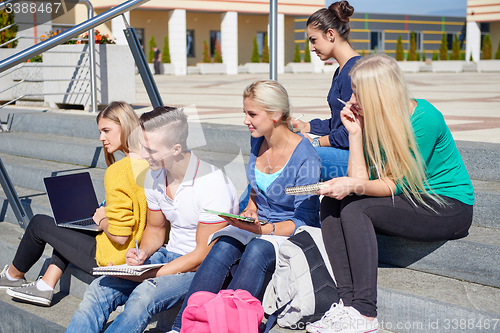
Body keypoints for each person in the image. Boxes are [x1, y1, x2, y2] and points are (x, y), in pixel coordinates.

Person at [306, 54, 474, 333]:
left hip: (449, 206)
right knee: (332, 203)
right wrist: (355, 134)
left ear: (378, 93)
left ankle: (365, 312)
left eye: (358, 93)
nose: (352, 101)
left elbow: (392, 184)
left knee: (355, 207)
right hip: (412, 198)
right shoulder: (375, 121)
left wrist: (350, 185)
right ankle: (348, 306)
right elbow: (360, 180)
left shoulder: (424, 119)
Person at [66, 106, 238, 333]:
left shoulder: (212, 183)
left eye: (150, 149)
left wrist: (152, 273)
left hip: (202, 269)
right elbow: (155, 229)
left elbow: (202, 255)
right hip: (166, 257)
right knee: (99, 288)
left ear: (176, 149)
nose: (143, 155)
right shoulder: (154, 175)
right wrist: (142, 253)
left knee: (144, 295)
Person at [169, 79, 321, 332]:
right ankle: (181, 326)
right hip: (258, 224)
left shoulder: (307, 158)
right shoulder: (258, 140)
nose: (245, 120)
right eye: (245, 113)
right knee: (222, 246)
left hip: (286, 231)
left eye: (252, 114)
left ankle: (230, 326)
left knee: (256, 251)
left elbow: (304, 220)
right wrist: (250, 208)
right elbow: (256, 187)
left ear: (276, 114)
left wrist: (262, 230)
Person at [1, 101, 149, 306]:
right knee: (68, 227)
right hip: (141, 250)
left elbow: (121, 236)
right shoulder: (150, 163)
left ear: (124, 127)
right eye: (100, 131)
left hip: (114, 258)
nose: (101, 138)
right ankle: (45, 285)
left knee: (39, 224)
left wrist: (103, 218)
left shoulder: (119, 171)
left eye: (106, 130)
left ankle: (12, 275)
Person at [291, 0, 361, 181]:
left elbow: (350, 132)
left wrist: (315, 142)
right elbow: (340, 122)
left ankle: (249, 208)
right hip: (346, 151)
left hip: (359, 157)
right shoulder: (341, 70)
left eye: (313, 40)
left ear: (330, 34)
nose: (311, 48)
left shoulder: (354, 72)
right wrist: (307, 126)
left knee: (289, 155)